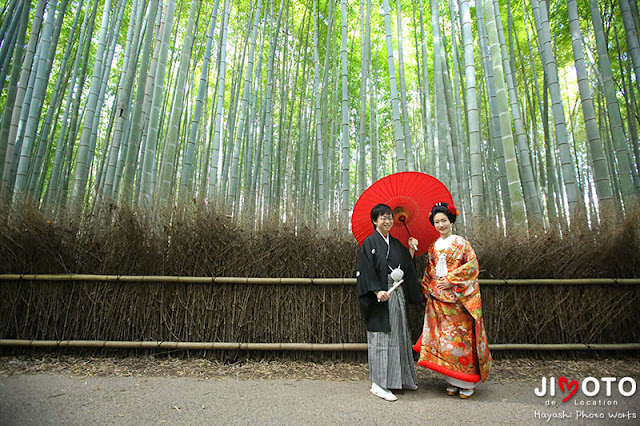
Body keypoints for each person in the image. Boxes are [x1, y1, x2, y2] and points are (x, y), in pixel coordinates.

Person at [414, 202, 492, 399]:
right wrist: (427, 289)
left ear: (451, 221)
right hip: (439, 301)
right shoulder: (433, 247)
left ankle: (467, 382)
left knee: (462, 341)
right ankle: (452, 381)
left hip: (459, 301)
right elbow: (429, 272)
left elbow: (472, 267)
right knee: (445, 342)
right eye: (437, 222)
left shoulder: (461, 243)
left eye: (444, 221)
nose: (441, 225)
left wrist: (451, 280)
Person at [356, 203, 424, 402]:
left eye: (389, 217)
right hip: (379, 297)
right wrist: (377, 290)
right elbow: (365, 270)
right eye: (382, 217)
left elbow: (406, 266)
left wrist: (410, 250)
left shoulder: (395, 243)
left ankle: (401, 379)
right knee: (381, 339)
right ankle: (379, 384)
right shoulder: (369, 243)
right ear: (375, 221)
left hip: (397, 294)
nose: (387, 221)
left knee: (400, 335)